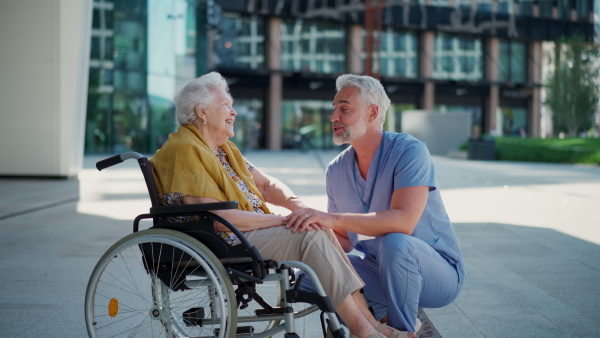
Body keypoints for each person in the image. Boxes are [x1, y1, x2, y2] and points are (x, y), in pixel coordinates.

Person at [149, 72, 387, 338]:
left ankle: (371, 324)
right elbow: (217, 218)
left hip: (242, 233)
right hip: (222, 239)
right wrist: (283, 220)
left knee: (317, 226)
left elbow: (265, 185)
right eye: (226, 105)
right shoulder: (185, 148)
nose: (234, 112)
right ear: (202, 112)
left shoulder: (222, 149)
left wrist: (294, 205)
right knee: (311, 236)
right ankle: (363, 331)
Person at [285, 74, 466, 338]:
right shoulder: (336, 170)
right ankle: (375, 325)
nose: (333, 117)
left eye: (344, 109)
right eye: (334, 109)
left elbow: (403, 222)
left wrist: (332, 218)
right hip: (379, 269)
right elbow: (344, 241)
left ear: (372, 113)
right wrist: (306, 230)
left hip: (437, 273)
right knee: (312, 271)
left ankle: (402, 331)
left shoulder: (410, 151)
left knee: (396, 243)